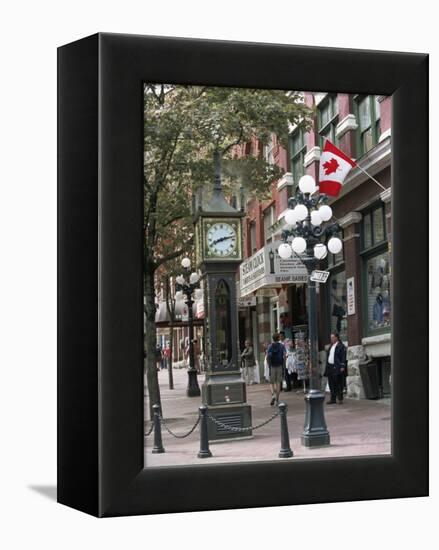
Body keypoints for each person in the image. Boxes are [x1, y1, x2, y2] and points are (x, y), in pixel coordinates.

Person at [324, 332, 347, 404]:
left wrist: (342, 366)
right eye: (331, 338)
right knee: (331, 383)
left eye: (333, 337)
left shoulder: (341, 346)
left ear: (337, 338)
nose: (331, 339)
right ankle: (333, 398)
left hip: (337, 366)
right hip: (330, 366)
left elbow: (343, 357)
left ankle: (340, 398)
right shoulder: (331, 346)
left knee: (338, 382)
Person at [266, 333, 285, 406]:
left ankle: (273, 395)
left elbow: (267, 356)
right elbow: (284, 355)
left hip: (272, 366)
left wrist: (268, 365)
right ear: (279, 338)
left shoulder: (270, 346)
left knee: (271, 382)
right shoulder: (281, 346)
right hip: (279, 365)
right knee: (278, 383)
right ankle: (277, 399)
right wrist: (284, 364)